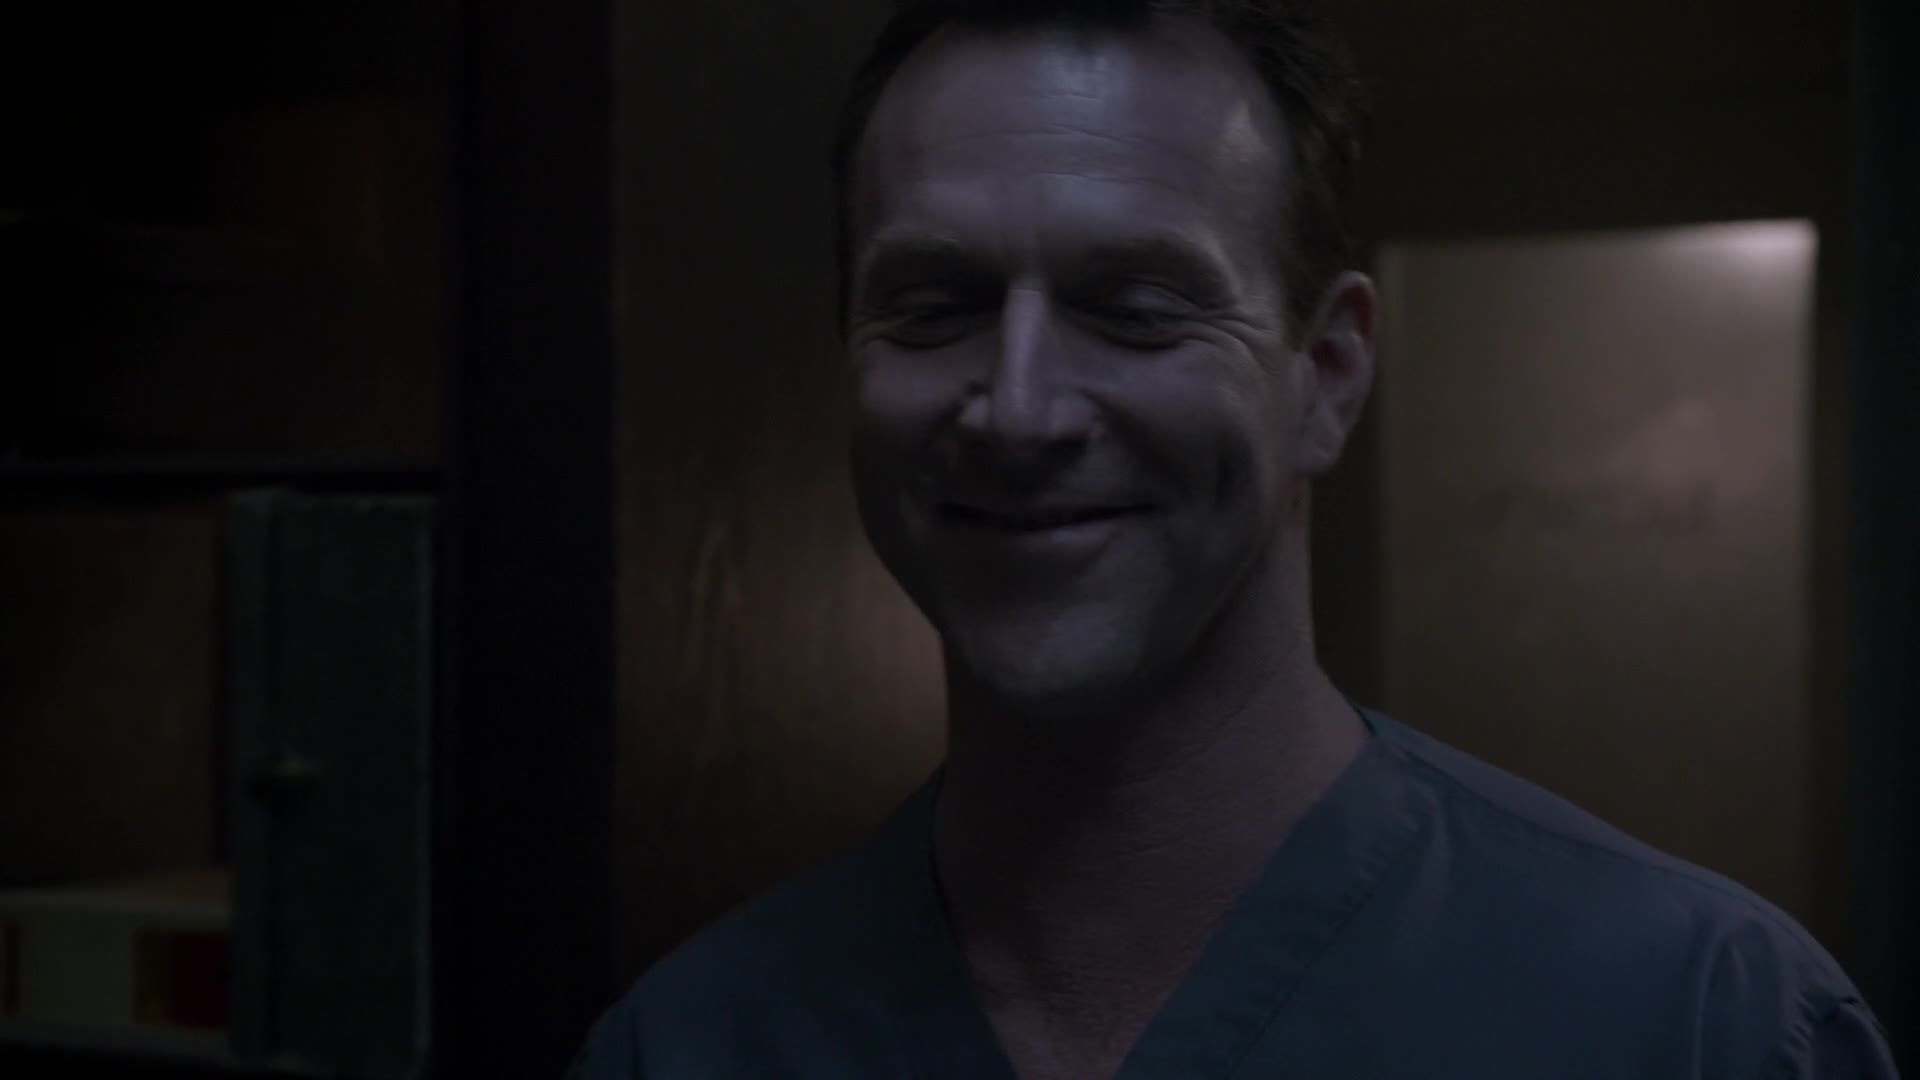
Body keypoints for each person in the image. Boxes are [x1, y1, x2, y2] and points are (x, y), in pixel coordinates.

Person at [573, 1, 1901, 1076]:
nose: (1020, 410)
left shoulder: (1697, 1023)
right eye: (934, 305)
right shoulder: (693, 1046)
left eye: (1136, 308)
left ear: (1327, 376)